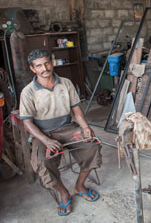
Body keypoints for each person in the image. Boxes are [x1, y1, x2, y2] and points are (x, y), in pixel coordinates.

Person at [20, 50, 102, 216]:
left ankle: (79, 186)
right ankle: (63, 193)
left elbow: (76, 110)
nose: (44, 68)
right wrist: (45, 140)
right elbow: (27, 123)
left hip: (68, 128)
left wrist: (85, 127)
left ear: (52, 62)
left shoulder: (65, 83)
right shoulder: (28, 92)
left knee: (92, 146)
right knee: (41, 162)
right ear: (33, 69)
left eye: (47, 63)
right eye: (39, 66)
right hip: (44, 133)